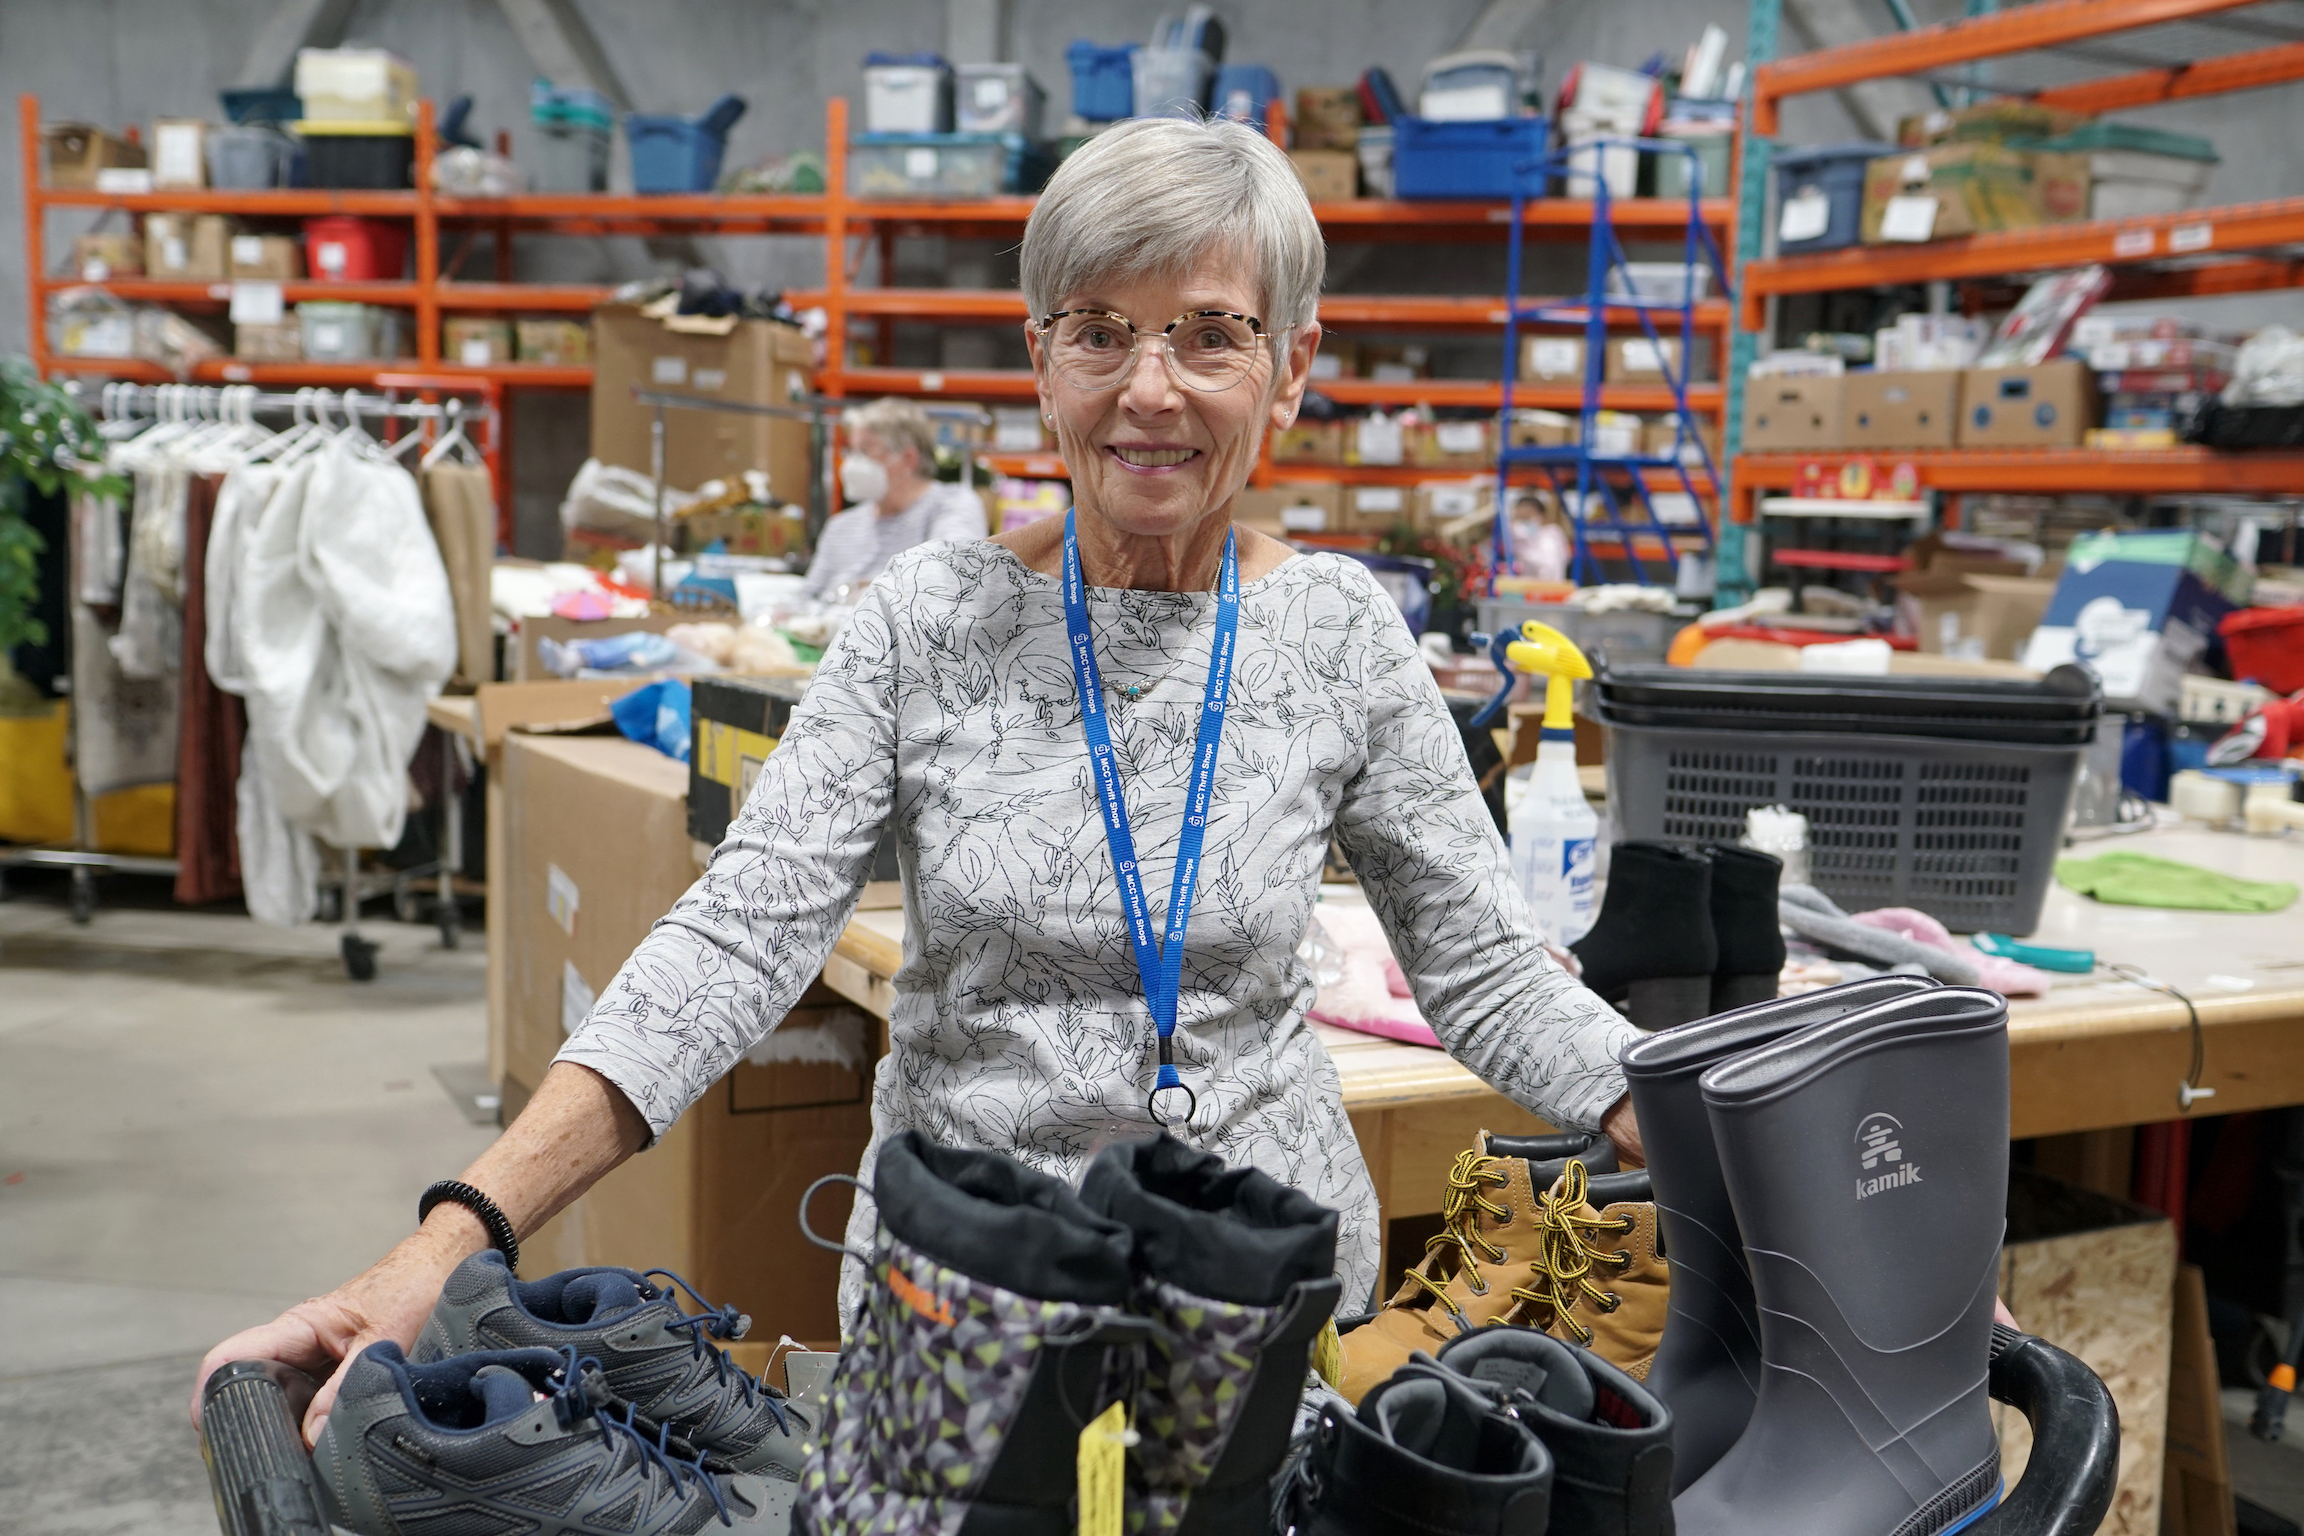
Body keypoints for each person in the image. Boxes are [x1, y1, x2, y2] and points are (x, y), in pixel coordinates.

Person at [194, 114, 1644, 1444]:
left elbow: (1488, 973)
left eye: (1210, 334)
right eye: (1100, 333)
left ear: (1294, 365)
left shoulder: (1342, 636)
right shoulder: (925, 622)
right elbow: (735, 937)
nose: (1150, 388)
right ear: (1039, 361)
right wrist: (452, 1237)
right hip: (964, 1311)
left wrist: (1714, 1133)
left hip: (1253, 1305)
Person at [799, 396, 988, 600]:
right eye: (851, 451)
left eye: (866, 450)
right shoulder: (841, 527)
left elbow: (954, 574)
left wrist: (863, 592)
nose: (852, 463)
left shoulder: (950, 505)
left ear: (908, 459)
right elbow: (805, 598)